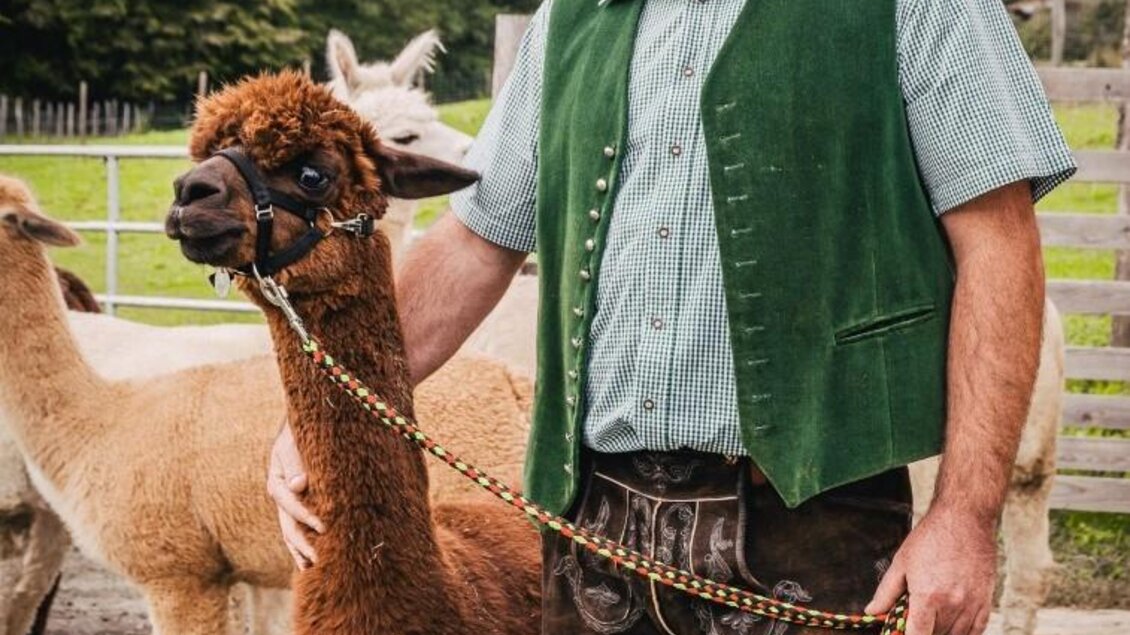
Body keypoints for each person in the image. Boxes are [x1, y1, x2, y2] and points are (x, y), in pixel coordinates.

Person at [269, 1, 1076, 633]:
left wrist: (965, 518)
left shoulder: (913, 4)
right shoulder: (572, 17)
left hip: (813, 521)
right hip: (595, 526)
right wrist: (324, 410)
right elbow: (476, 241)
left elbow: (1000, 244)